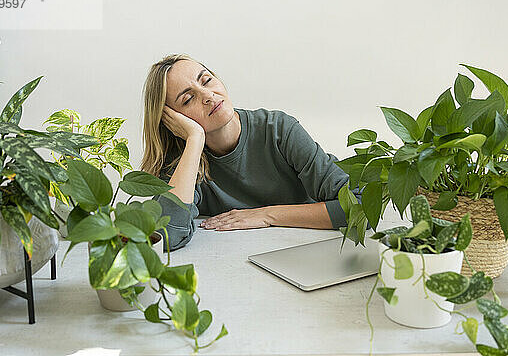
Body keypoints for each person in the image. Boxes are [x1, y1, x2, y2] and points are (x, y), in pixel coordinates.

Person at [141, 54, 361, 251]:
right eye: (188, 99)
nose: (208, 95)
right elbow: (166, 237)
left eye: (206, 80)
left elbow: (358, 209)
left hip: (309, 249)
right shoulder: (183, 163)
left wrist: (266, 215)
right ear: (172, 122)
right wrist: (195, 139)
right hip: (241, 265)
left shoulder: (278, 130)